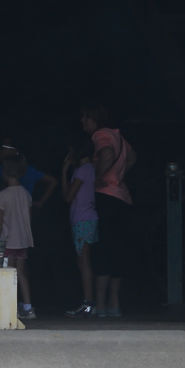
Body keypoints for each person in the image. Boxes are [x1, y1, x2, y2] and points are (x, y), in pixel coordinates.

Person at [80, 103, 136, 319]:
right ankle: (114, 303)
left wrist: (101, 178)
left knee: (103, 251)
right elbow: (132, 157)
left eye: (86, 118)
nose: (83, 122)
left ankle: (101, 305)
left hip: (107, 197)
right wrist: (119, 176)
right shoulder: (118, 135)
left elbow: (106, 153)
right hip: (122, 197)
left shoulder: (101, 135)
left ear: (95, 120)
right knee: (118, 251)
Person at [0, 151, 35, 318]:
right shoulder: (26, 194)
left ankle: (10, 308)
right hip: (23, 241)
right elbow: (29, 219)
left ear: (4, 172)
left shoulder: (3, 195)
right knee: (21, 274)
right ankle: (29, 308)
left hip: (8, 241)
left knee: (8, 274)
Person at [61, 140, 98, 316]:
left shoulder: (83, 170)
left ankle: (89, 304)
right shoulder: (89, 169)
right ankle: (88, 302)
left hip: (83, 220)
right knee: (83, 261)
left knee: (84, 262)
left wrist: (63, 171)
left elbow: (68, 197)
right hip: (84, 219)